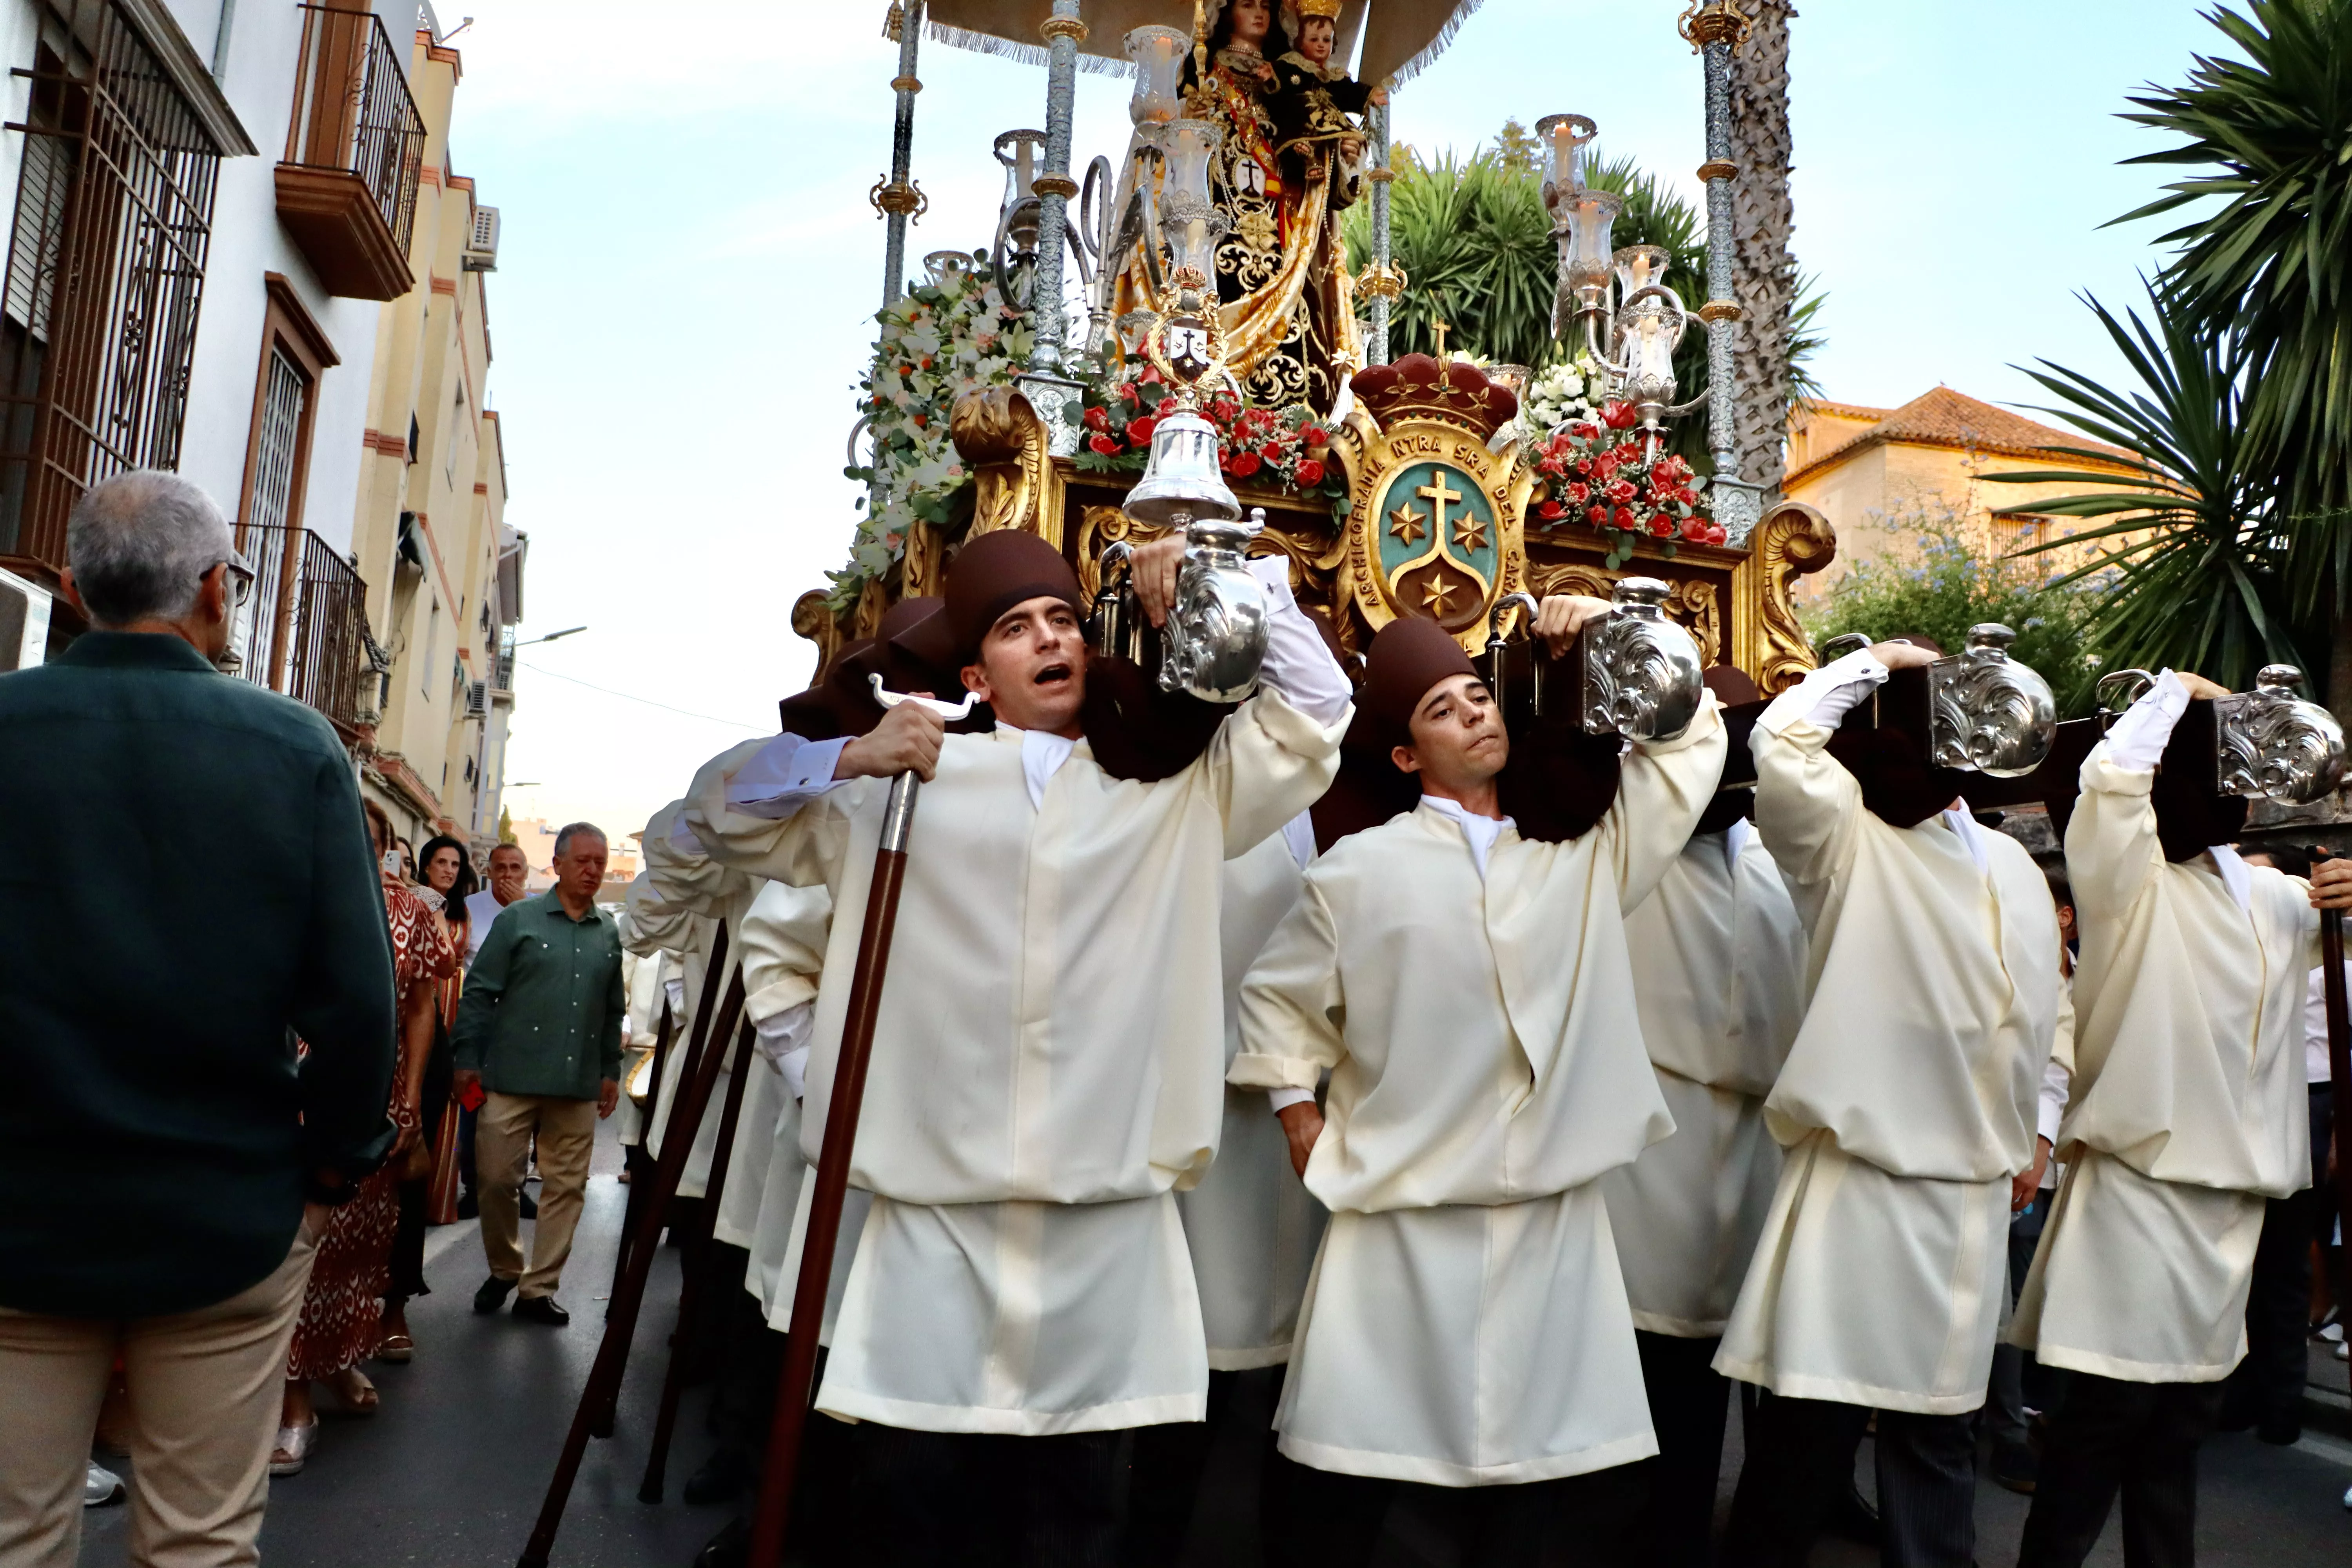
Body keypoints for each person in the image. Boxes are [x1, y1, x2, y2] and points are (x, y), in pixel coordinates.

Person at [684, 528, 1350, 1566]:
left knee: (1074, 1524)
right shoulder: (906, 786)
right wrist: (853, 753)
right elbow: (716, 808)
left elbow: (1317, 711)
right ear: (974, 676)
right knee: (915, 1515)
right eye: (1015, 628)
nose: (1050, 640)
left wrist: (1226, 576)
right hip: (934, 1238)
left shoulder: (1169, 790)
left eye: (1063, 622)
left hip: (1104, 1233)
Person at [1234, 608, 1726, 1566]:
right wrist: (1297, 1110)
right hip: (1399, 1221)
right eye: (1441, 711)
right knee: (1355, 1482)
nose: (1472, 717)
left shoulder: (1582, 852)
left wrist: (1602, 640)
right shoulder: (1358, 871)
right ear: (1407, 758)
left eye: (1476, 698)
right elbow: (1277, 1001)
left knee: (1554, 1496)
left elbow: (1689, 739)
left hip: (1554, 1228)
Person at [0, 469, 396, 1564]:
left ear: (77, 589)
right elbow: (358, 1005)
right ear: (216, 588)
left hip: (17, 1205)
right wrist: (330, 1170)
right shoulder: (296, 748)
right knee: (199, 1542)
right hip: (225, 1207)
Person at [1714, 640, 2064, 1568]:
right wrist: (1873, 662)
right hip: (1861, 1191)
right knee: (1808, 1435)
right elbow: (1783, 741)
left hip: (1974, 1197)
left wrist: (2040, 1124)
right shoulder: (1845, 840)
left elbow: (2045, 1010)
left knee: (1939, 1437)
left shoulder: (2014, 862)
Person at [2008, 671, 2352, 1568]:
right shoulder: (2129, 883)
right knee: (2095, 1440)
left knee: (2172, 1448)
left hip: (2226, 1217)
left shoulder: (2273, 899)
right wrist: (2170, 694)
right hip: (2138, 1202)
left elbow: (2331, 933)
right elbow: (2108, 784)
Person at [1597, 667, 1807, 1568]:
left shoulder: (1771, 863)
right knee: (1639, 1358)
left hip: (1748, 1139)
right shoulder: (1625, 847)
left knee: (1718, 1363)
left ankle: (1682, 1531)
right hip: (1654, 1132)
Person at [272, 800, 456, 1474]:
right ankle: (294, 1402)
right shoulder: (286, 896)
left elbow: (420, 1009)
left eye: (371, 843)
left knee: (359, 1252)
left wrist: (408, 1103)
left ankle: (340, 1364)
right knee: (300, 1252)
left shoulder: (411, 912)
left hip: (376, 1107)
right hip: (290, 1102)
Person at [454, 822, 626, 1325]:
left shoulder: (608, 932)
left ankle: (539, 1288)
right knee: (494, 1178)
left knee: (566, 1189)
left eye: (601, 861)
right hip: (510, 1077)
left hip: (576, 1085)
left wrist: (610, 1070)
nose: (593, 870)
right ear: (558, 863)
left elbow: (613, 1008)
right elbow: (480, 991)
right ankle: (506, 1266)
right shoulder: (519, 920)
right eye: (584, 861)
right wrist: (466, 1059)